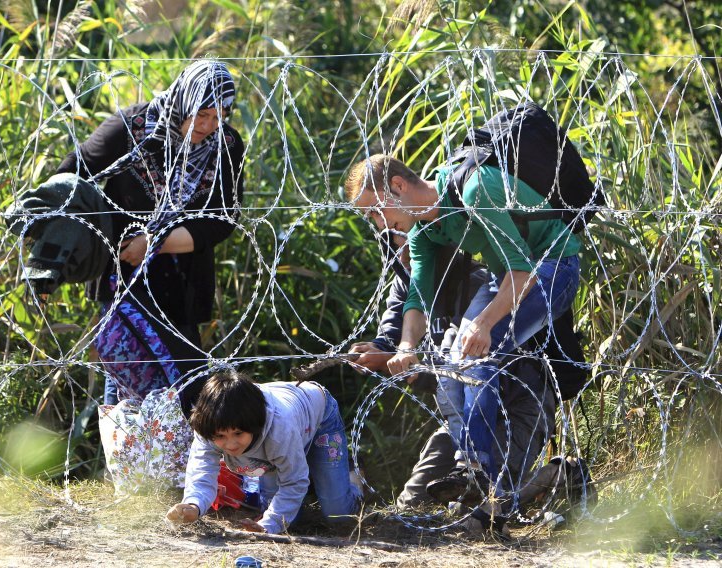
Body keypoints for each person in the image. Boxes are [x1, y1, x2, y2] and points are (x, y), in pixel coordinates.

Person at [345, 153, 582, 508]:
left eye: (376, 211)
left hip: (550, 264)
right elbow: (417, 298)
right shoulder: (426, 228)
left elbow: (523, 272)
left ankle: (474, 468)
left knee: (478, 348)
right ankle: (476, 477)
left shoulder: (474, 190)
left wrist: (485, 324)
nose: (380, 224)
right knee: (458, 356)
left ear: (397, 186)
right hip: (507, 275)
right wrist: (406, 346)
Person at [56, 60, 244, 413]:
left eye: (220, 116)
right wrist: (100, 240)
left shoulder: (227, 146)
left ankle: (175, 464)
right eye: (201, 114)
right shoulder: (133, 128)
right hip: (122, 275)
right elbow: (71, 177)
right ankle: (126, 465)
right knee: (127, 374)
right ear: (184, 101)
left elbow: (223, 218)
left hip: (183, 280)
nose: (209, 126)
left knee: (185, 383)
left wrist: (153, 243)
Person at [165, 371, 362, 534]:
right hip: (278, 443)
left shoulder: (278, 428)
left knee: (339, 515)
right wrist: (193, 505)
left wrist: (267, 526)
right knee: (291, 522)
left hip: (319, 415)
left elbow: (294, 481)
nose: (230, 444)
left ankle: (352, 481)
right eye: (220, 436)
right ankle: (310, 470)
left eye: (238, 433)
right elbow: (202, 472)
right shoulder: (208, 425)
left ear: (254, 424)